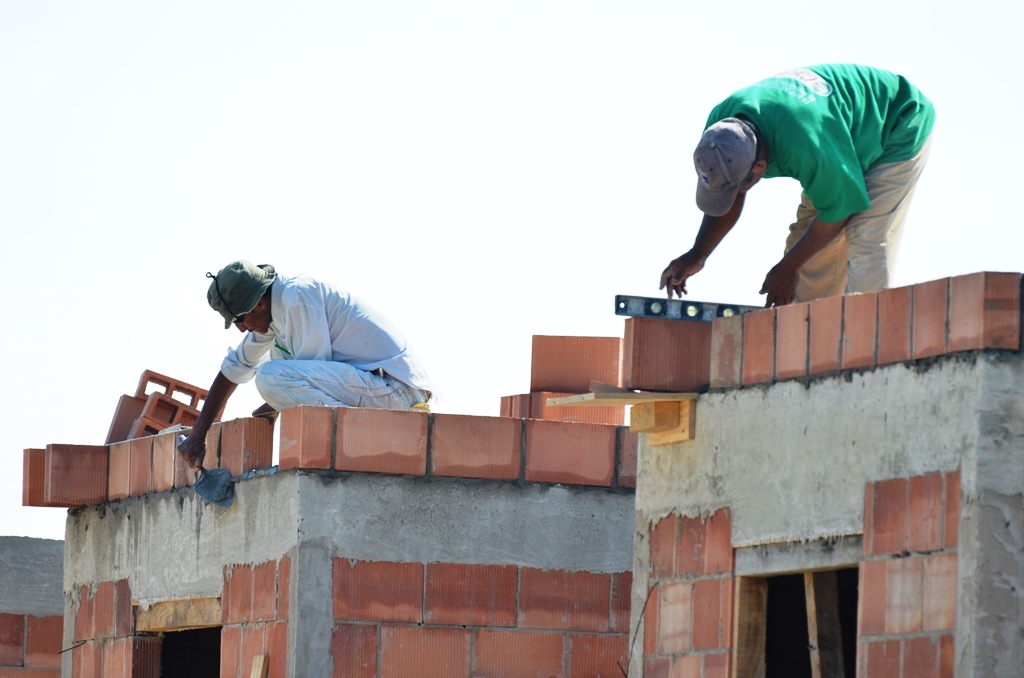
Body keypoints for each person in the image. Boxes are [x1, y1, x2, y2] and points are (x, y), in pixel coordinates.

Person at [660, 64, 935, 307]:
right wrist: (698, 253)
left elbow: (839, 211)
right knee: (806, 250)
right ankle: (812, 347)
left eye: (738, 186)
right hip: (836, 139)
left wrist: (788, 266)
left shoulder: (805, 146)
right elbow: (730, 194)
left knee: (864, 239)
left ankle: (872, 347)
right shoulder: (719, 133)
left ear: (759, 167)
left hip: (896, 120)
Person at [178, 260, 435, 468]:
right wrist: (198, 434)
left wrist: (269, 406)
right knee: (278, 365)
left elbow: (307, 374)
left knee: (270, 376)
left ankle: (364, 444)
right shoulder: (273, 315)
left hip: (395, 391)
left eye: (240, 320)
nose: (241, 329)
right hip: (378, 389)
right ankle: (360, 441)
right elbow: (235, 367)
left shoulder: (297, 296)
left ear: (259, 303)